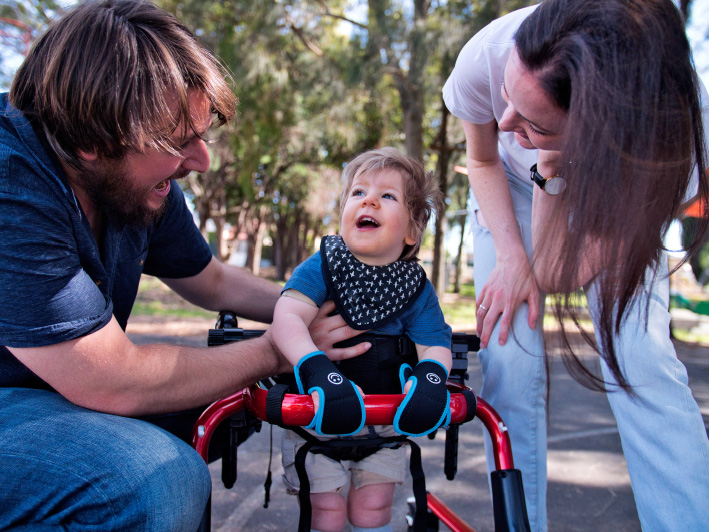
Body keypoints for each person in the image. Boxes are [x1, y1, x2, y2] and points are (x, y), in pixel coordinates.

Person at [0, 1, 369, 530]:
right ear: (90, 143)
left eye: (202, 132)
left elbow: (213, 280)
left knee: (237, 404)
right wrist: (277, 347)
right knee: (156, 477)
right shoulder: (13, 185)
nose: (202, 160)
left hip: (52, 393)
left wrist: (317, 302)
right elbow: (109, 379)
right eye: (179, 141)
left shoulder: (136, 180)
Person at [442, 1, 709, 530]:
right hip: (508, 193)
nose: (507, 121)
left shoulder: (672, 145)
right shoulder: (490, 56)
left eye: (534, 121)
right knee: (510, 358)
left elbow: (561, 274)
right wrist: (514, 255)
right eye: (507, 99)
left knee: (638, 355)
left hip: (618, 197)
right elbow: (483, 158)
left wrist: (553, 177)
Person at [271, 147, 453, 532]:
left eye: (387, 196)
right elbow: (286, 319)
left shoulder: (415, 287)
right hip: (316, 415)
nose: (369, 199)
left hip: (385, 423)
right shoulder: (323, 266)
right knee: (327, 512)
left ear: (411, 230)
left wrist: (431, 379)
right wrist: (316, 369)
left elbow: (435, 341)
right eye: (358, 192)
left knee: (373, 509)